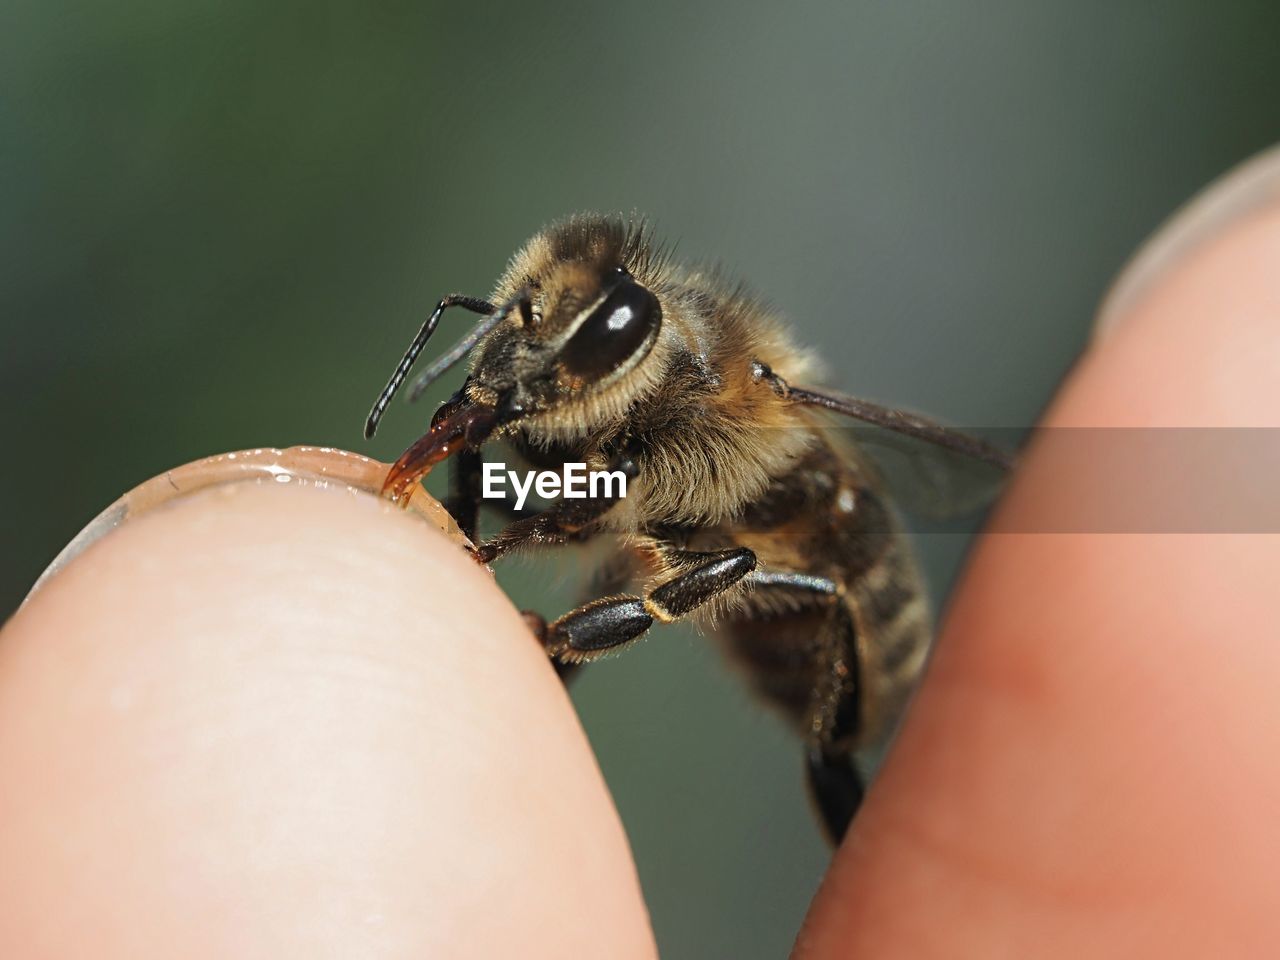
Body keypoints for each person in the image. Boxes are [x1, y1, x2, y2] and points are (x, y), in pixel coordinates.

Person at [2, 149, 1278, 958]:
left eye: (567, 344)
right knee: (574, 525)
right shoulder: (585, 412)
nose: (519, 366)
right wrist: (491, 520)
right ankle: (532, 661)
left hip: (826, 570)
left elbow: (650, 512)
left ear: (642, 343)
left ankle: (814, 764)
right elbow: (568, 483)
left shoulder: (714, 398)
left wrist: (549, 612)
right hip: (664, 540)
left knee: (672, 552)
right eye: (513, 336)